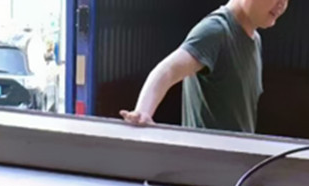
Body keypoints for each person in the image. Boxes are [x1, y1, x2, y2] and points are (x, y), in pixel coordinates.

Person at [120, 0, 289, 133]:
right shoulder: (215, 31)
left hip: (235, 161)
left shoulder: (255, 40)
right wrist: (143, 112)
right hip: (206, 162)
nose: (282, 4)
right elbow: (168, 70)